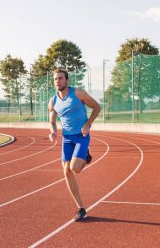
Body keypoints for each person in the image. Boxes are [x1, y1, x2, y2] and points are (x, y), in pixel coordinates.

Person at [48, 68, 101, 221]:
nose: (57, 81)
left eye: (60, 78)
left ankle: (85, 154)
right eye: (55, 79)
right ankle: (81, 208)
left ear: (67, 80)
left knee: (75, 168)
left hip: (81, 136)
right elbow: (52, 120)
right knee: (66, 172)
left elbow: (97, 107)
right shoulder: (53, 101)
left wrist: (88, 124)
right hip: (67, 139)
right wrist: (53, 131)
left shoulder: (78, 94)